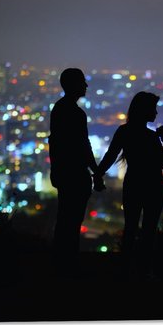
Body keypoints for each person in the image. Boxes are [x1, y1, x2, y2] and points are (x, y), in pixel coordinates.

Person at [94, 91, 163, 278]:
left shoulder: (124, 131)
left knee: (130, 228)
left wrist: (98, 174)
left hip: (133, 183)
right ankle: (144, 270)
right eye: (153, 109)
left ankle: (125, 268)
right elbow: (161, 164)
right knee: (149, 230)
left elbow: (110, 156)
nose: (156, 113)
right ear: (144, 110)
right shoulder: (150, 137)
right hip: (154, 186)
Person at [48, 68, 102, 277]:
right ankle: (68, 264)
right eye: (82, 82)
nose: (86, 86)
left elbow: (57, 143)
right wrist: (95, 171)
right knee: (72, 220)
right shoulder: (75, 113)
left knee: (65, 219)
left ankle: (61, 262)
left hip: (64, 172)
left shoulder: (59, 109)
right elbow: (82, 145)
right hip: (76, 174)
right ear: (74, 85)